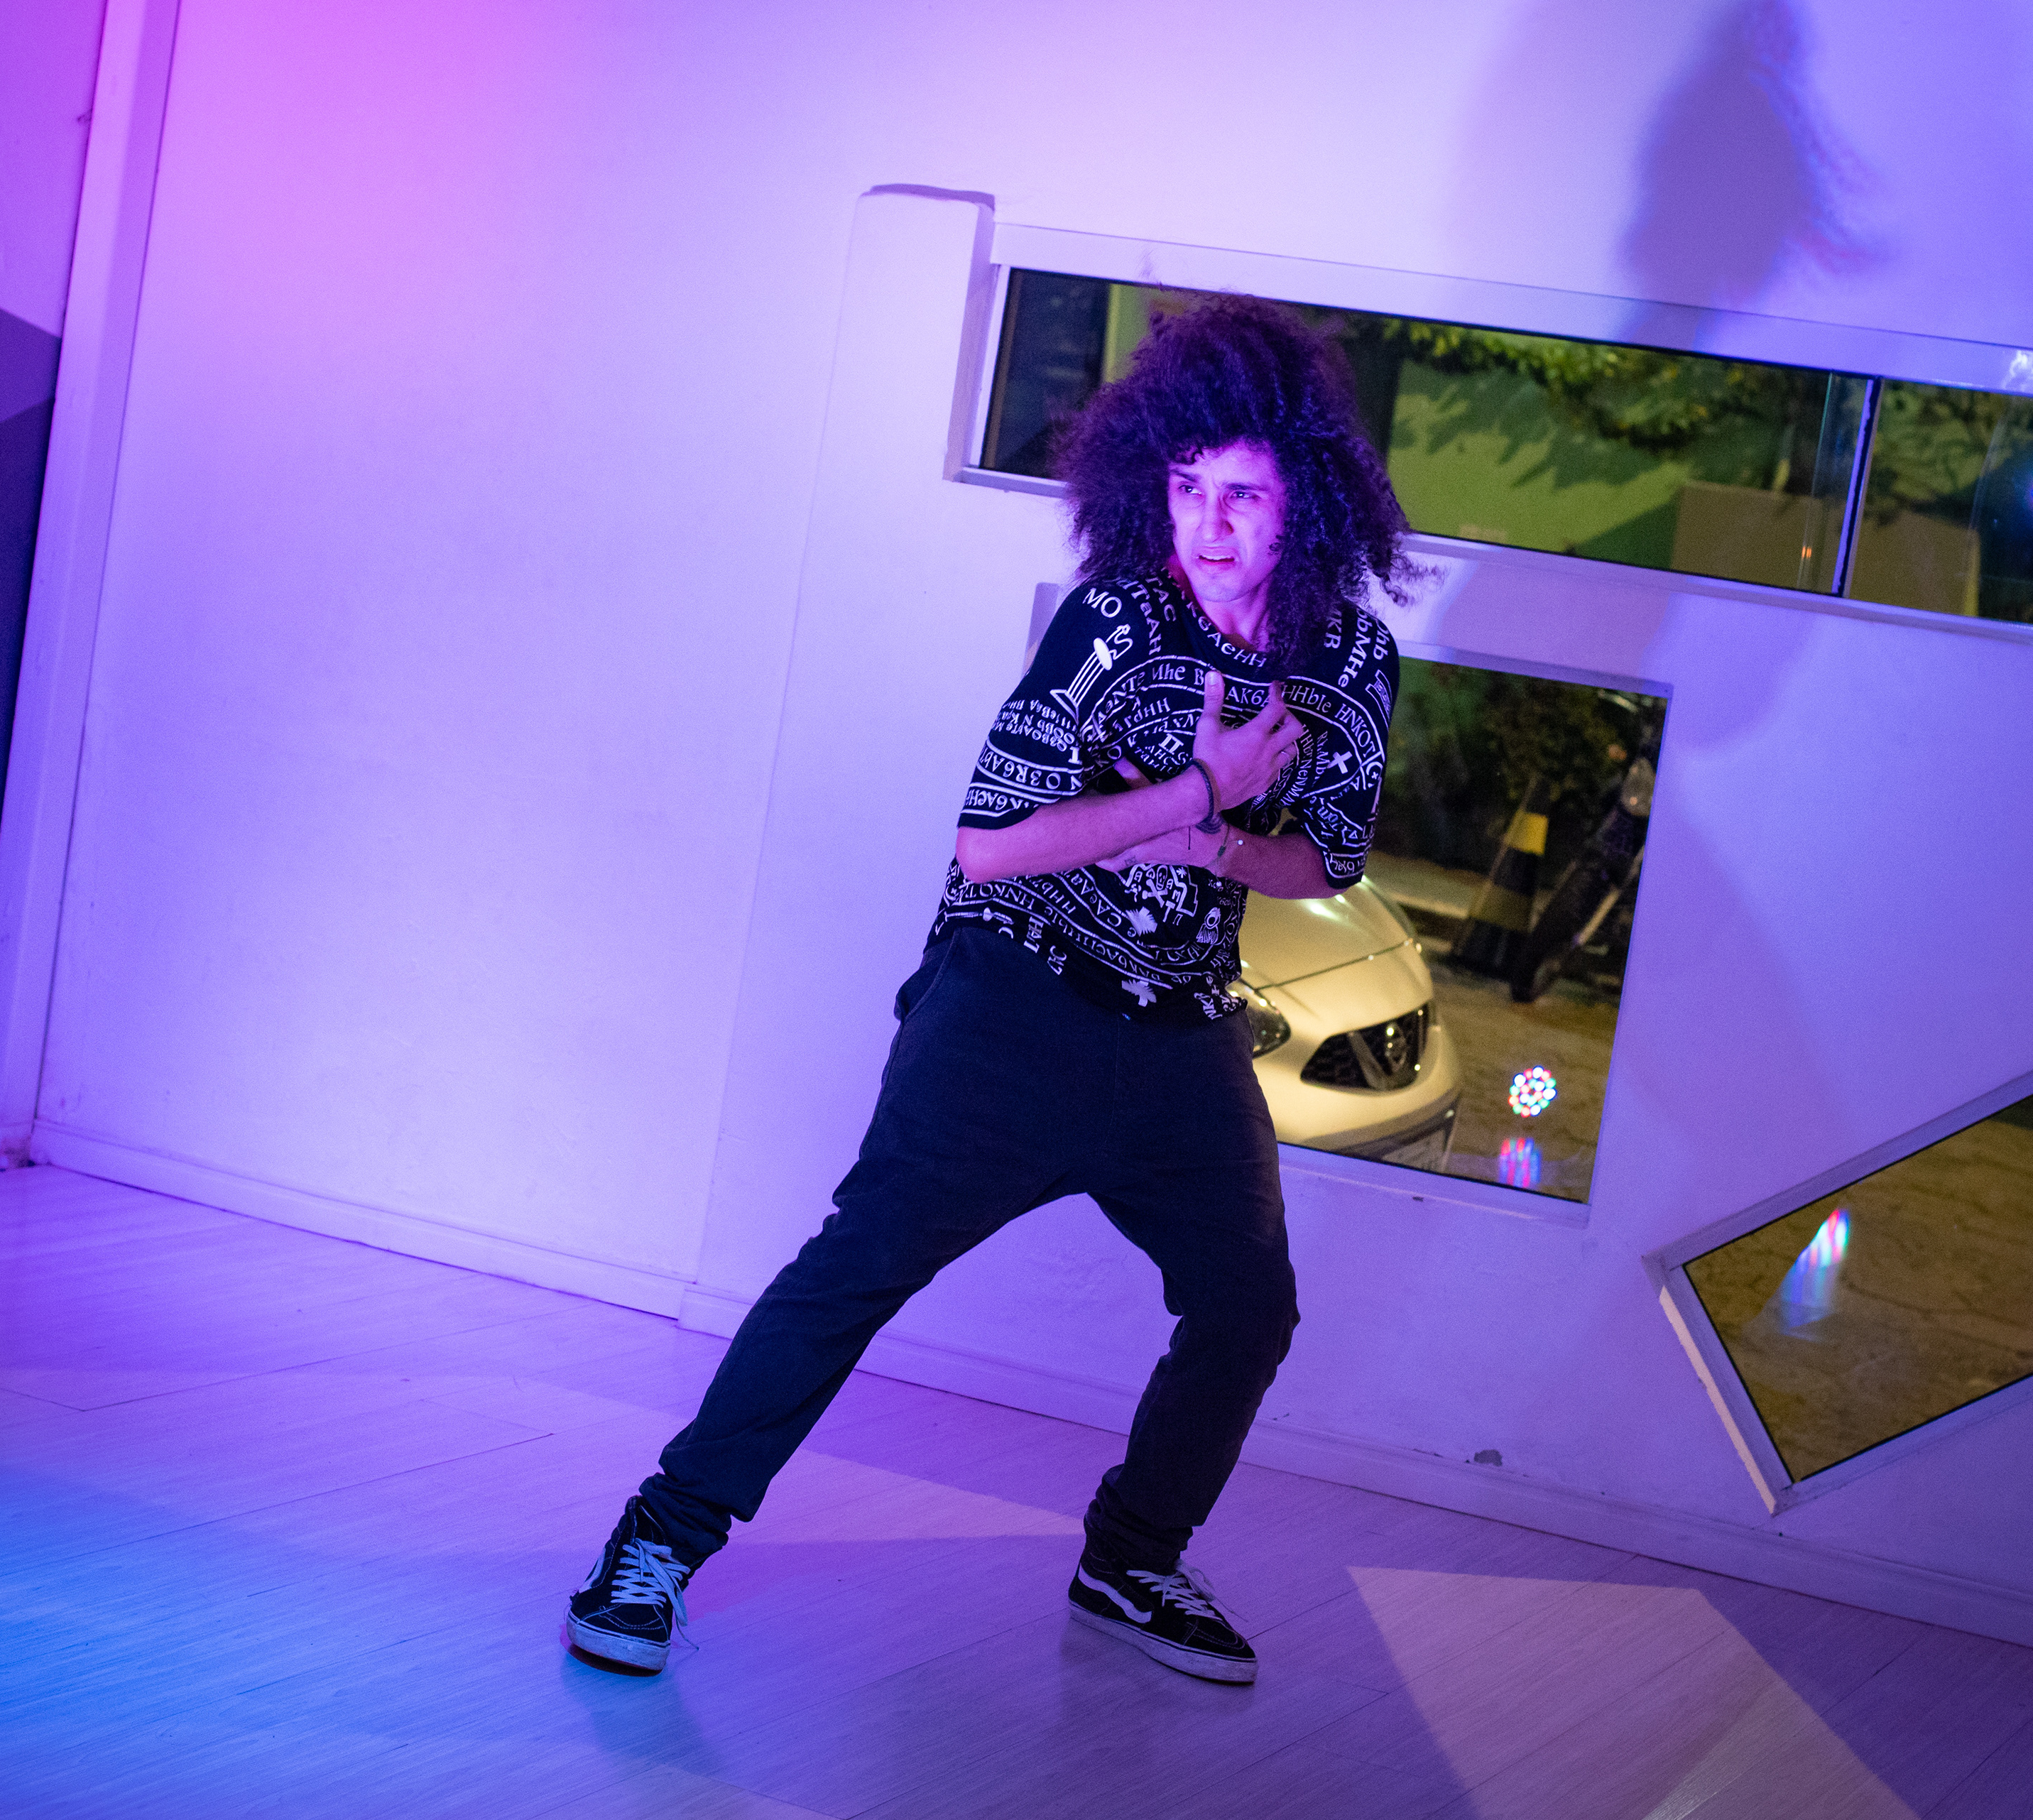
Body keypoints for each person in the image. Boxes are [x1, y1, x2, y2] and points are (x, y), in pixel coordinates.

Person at [565, 294, 1413, 1684]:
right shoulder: (1114, 620)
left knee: (1250, 1304)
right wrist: (1198, 792)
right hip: (1012, 1003)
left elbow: (1325, 855)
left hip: (1180, 1029)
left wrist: (1213, 841)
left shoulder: (1352, 660)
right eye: (1186, 488)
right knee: (856, 1269)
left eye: (1243, 496)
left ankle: (1133, 1555)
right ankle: (656, 1541)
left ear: (1305, 501)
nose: (1207, 527)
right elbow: (991, 843)